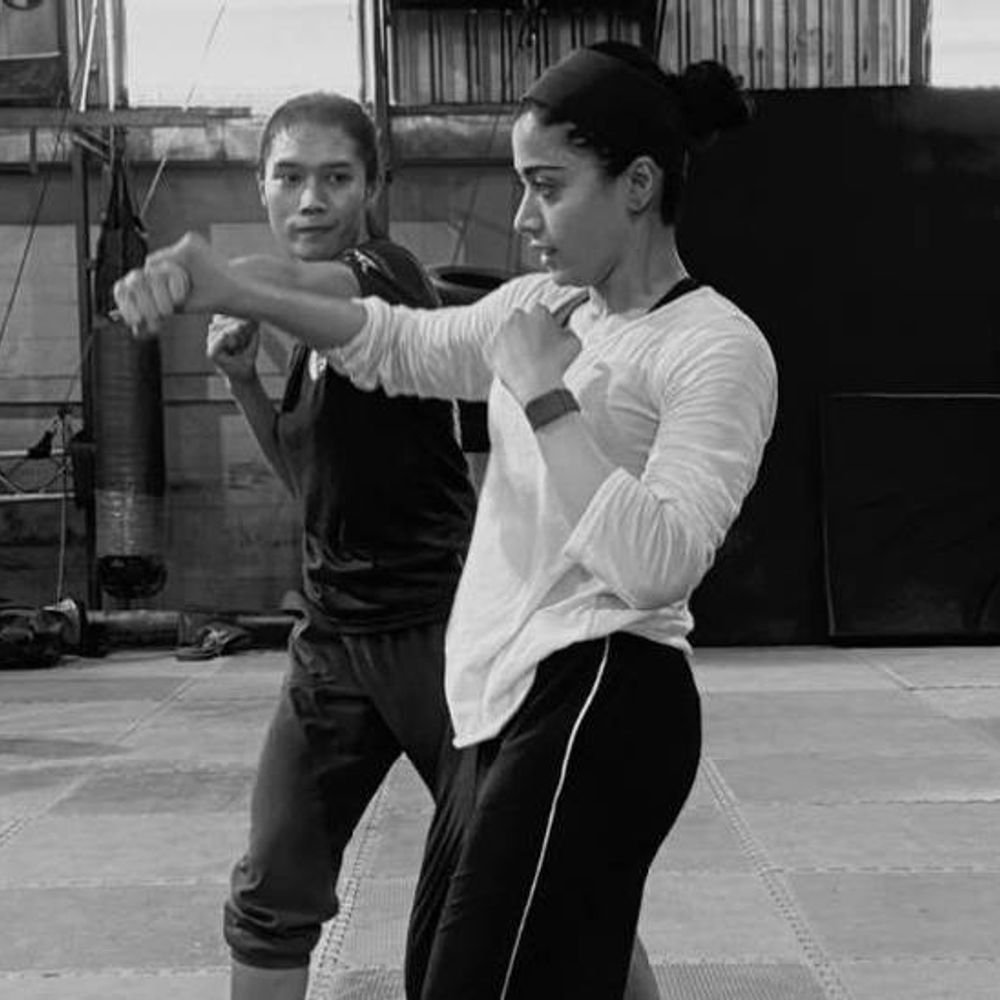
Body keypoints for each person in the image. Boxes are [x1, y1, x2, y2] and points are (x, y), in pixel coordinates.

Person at [115, 42, 777, 999]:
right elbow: (399, 342)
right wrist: (229, 288)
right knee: (447, 975)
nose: (523, 218)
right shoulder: (544, 306)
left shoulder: (714, 344)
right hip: (496, 694)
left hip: (604, 689)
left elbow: (660, 562)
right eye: (522, 186)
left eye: (547, 187)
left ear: (638, 185)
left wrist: (546, 395)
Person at [202, 92, 478, 1000]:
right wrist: (244, 381)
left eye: (336, 177)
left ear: (372, 186)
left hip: (439, 633)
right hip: (331, 642)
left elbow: (335, 292)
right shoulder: (303, 343)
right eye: (289, 177)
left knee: (530, 870)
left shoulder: (386, 277)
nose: (311, 199)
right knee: (272, 889)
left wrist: (234, 282)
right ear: (262, 185)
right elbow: (309, 483)